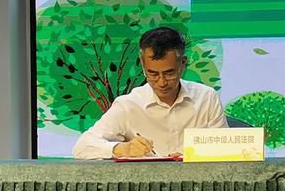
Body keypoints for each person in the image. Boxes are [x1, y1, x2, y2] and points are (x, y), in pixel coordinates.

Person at [72, 26, 227, 159]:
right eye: (152, 74)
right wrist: (123, 149)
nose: (162, 82)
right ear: (142, 64)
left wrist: (193, 155)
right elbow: (81, 147)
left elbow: (227, 151)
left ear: (183, 63)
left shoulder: (206, 98)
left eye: (169, 73)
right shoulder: (128, 105)